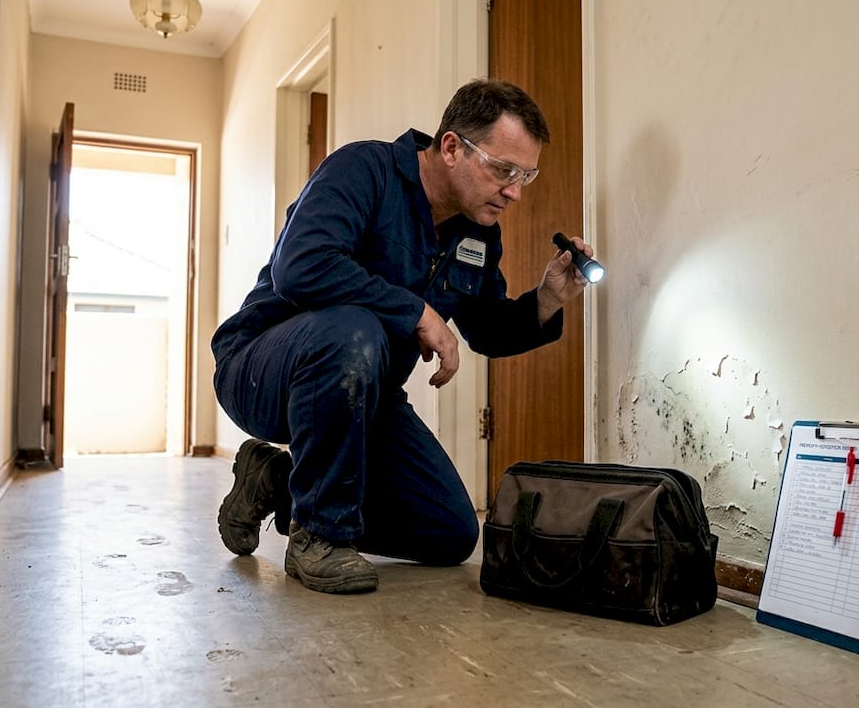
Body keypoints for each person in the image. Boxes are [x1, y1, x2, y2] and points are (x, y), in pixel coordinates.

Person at [211, 78, 596, 594]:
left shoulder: (477, 232)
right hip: (262, 368)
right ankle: (319, 536)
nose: (515, 191)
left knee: (450, 532)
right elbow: (300, 266)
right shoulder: (363, 170)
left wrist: (547, 299)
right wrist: (416, 311)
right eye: (504, 170)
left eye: (526, 174)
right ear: (453, 146)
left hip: (364, 395)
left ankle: (278, 483)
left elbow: (485, 330)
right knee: (353, 329)